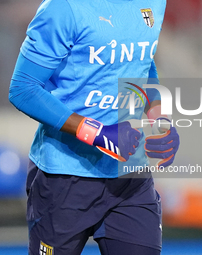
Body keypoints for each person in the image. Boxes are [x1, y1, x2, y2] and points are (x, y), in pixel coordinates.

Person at [9, 0, 179, 254]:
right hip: (65, 176)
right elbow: (23, 88)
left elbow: (142, 61)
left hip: (130, 176)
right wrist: (97, 134)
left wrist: (159, 118)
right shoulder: (63, 7)